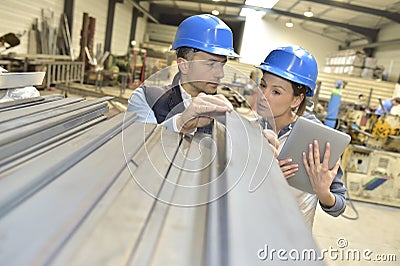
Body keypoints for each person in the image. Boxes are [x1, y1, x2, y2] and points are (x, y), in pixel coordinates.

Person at [257, 46, 347, 228]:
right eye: (263, 85)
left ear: (296, 100)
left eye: (276, 92)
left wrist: (323, 192)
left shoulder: (316, 139)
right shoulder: (251, 129)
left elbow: (338, 205)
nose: (262, 96)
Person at [127, 14, 239, 134]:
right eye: (211, 64)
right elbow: (139, 146)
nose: (221, 74)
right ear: (184, 65)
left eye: (222, 65)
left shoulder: (223, 114)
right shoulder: (147, 98)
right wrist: (180, 124)